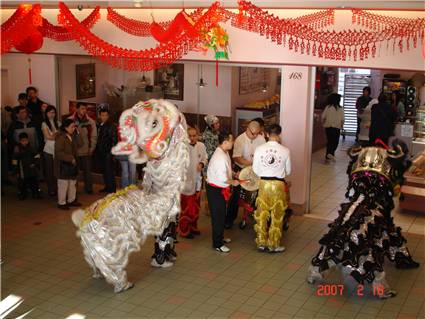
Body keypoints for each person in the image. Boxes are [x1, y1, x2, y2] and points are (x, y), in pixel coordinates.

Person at [252, 124, 291, 253]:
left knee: (262, 213)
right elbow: (288, 171)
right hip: (278, 185)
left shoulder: (259, 149)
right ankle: (274, 244)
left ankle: (261, 242)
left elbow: (255, 169)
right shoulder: (285, 150)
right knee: (277, 214)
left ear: (267, 134)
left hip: (263, 183)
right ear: (279, 134)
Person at [226, 120, 266, 229]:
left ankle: (257, 216)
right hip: (242, 170)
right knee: (235, 196)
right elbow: (236, 157)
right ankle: (229, 219)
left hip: (256, 170)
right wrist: (249, 163)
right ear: (247, 129)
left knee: (259, 194)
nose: (254, 136)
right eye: (252, 133)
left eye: (257, 133)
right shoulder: (240, 139)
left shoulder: (261, 139)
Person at [206, 132, 239, 253]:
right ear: (225, 142)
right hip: (215, 189)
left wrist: (234, 174)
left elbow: (226, 171)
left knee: (221, 215)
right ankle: (217, 244)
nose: (233, 142)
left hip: (219, 188)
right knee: (218, 217)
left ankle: (220, 238)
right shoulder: (219, 157)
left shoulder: (224, 152)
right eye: (231, 140)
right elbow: (222, 178)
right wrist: (233, 182)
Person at [178, 127, 207, 239]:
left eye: (194, 135)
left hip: (197, 182)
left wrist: (202, 164)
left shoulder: (201, 146)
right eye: (190, 135)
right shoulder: (182, 148)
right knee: (187, 208)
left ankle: (193, 227)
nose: (192, 138)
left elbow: (204, 158)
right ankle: (184, 230)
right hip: (186, 183)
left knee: (196, 206)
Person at [69, 102, 97, 194]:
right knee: (74, 172)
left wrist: (92, 148)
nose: (84, 111)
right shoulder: (70, 120)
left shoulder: (90, 121)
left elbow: (94, 136)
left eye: (85, 109)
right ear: (76, 109)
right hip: (74, 151)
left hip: (86, 150)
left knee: (87, 171)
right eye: (82, 108)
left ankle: (88, 188)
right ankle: (73, 190)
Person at [55, 119, 83, 210]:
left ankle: (72, 200)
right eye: (72, 127)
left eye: (74, 126)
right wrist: (70, 158)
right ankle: (61, 202)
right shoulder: (60, 137)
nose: (73, 128)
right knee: (63, 184)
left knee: (72, 183)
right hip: (63, 165)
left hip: (72, 165)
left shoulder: (73, 135)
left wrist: (78, 132)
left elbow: (81, 144)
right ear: (66, 127)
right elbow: (58, 153)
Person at [13, 132, 41, 200]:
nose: (25, 142)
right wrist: (16, 170)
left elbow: (37, 156)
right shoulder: (17, 149)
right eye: (23, 141)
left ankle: (35, 193)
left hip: (31, 168)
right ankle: (23, 194)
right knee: (22, 183)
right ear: (20, 141)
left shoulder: (31, 147)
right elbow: (14, 160)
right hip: (22, 169)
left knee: (34, 182)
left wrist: (35, 163)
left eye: (26, 140)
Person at [96, 108, 118, 193]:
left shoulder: (111, 126)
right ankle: (107, 187)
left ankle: (111, 189)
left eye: (105, 115)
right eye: (102, 115)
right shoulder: (100, 125)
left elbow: (114, 140)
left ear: (108, 116)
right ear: (100, 116)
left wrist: (111, 153)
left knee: (109, 171)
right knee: (104, 171)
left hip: (108, 152)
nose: (104, 117)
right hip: (101, 152)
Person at [41, 105, 61, 196]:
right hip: (48, 150)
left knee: (57, 170)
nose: (51, 114)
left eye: (53, 112)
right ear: (46, 113)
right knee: (49, 171)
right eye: (49, 112)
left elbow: (61, 135)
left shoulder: (58, 122)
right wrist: (56, 135)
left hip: (57, 149)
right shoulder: (44, 123)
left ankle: (58, 188)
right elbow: (48, 137)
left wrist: (55, 135)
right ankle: (51, 189)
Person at [321, 93, 344, 161]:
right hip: (336, 128)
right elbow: (342, 119)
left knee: (330, 141)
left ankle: (328, 155)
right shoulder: (340, 109)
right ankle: (330, 153)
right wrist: (342, 126)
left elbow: (323, 117)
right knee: (335, 142)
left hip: (328, 127)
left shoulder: (328, 107)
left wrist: (323, 123)